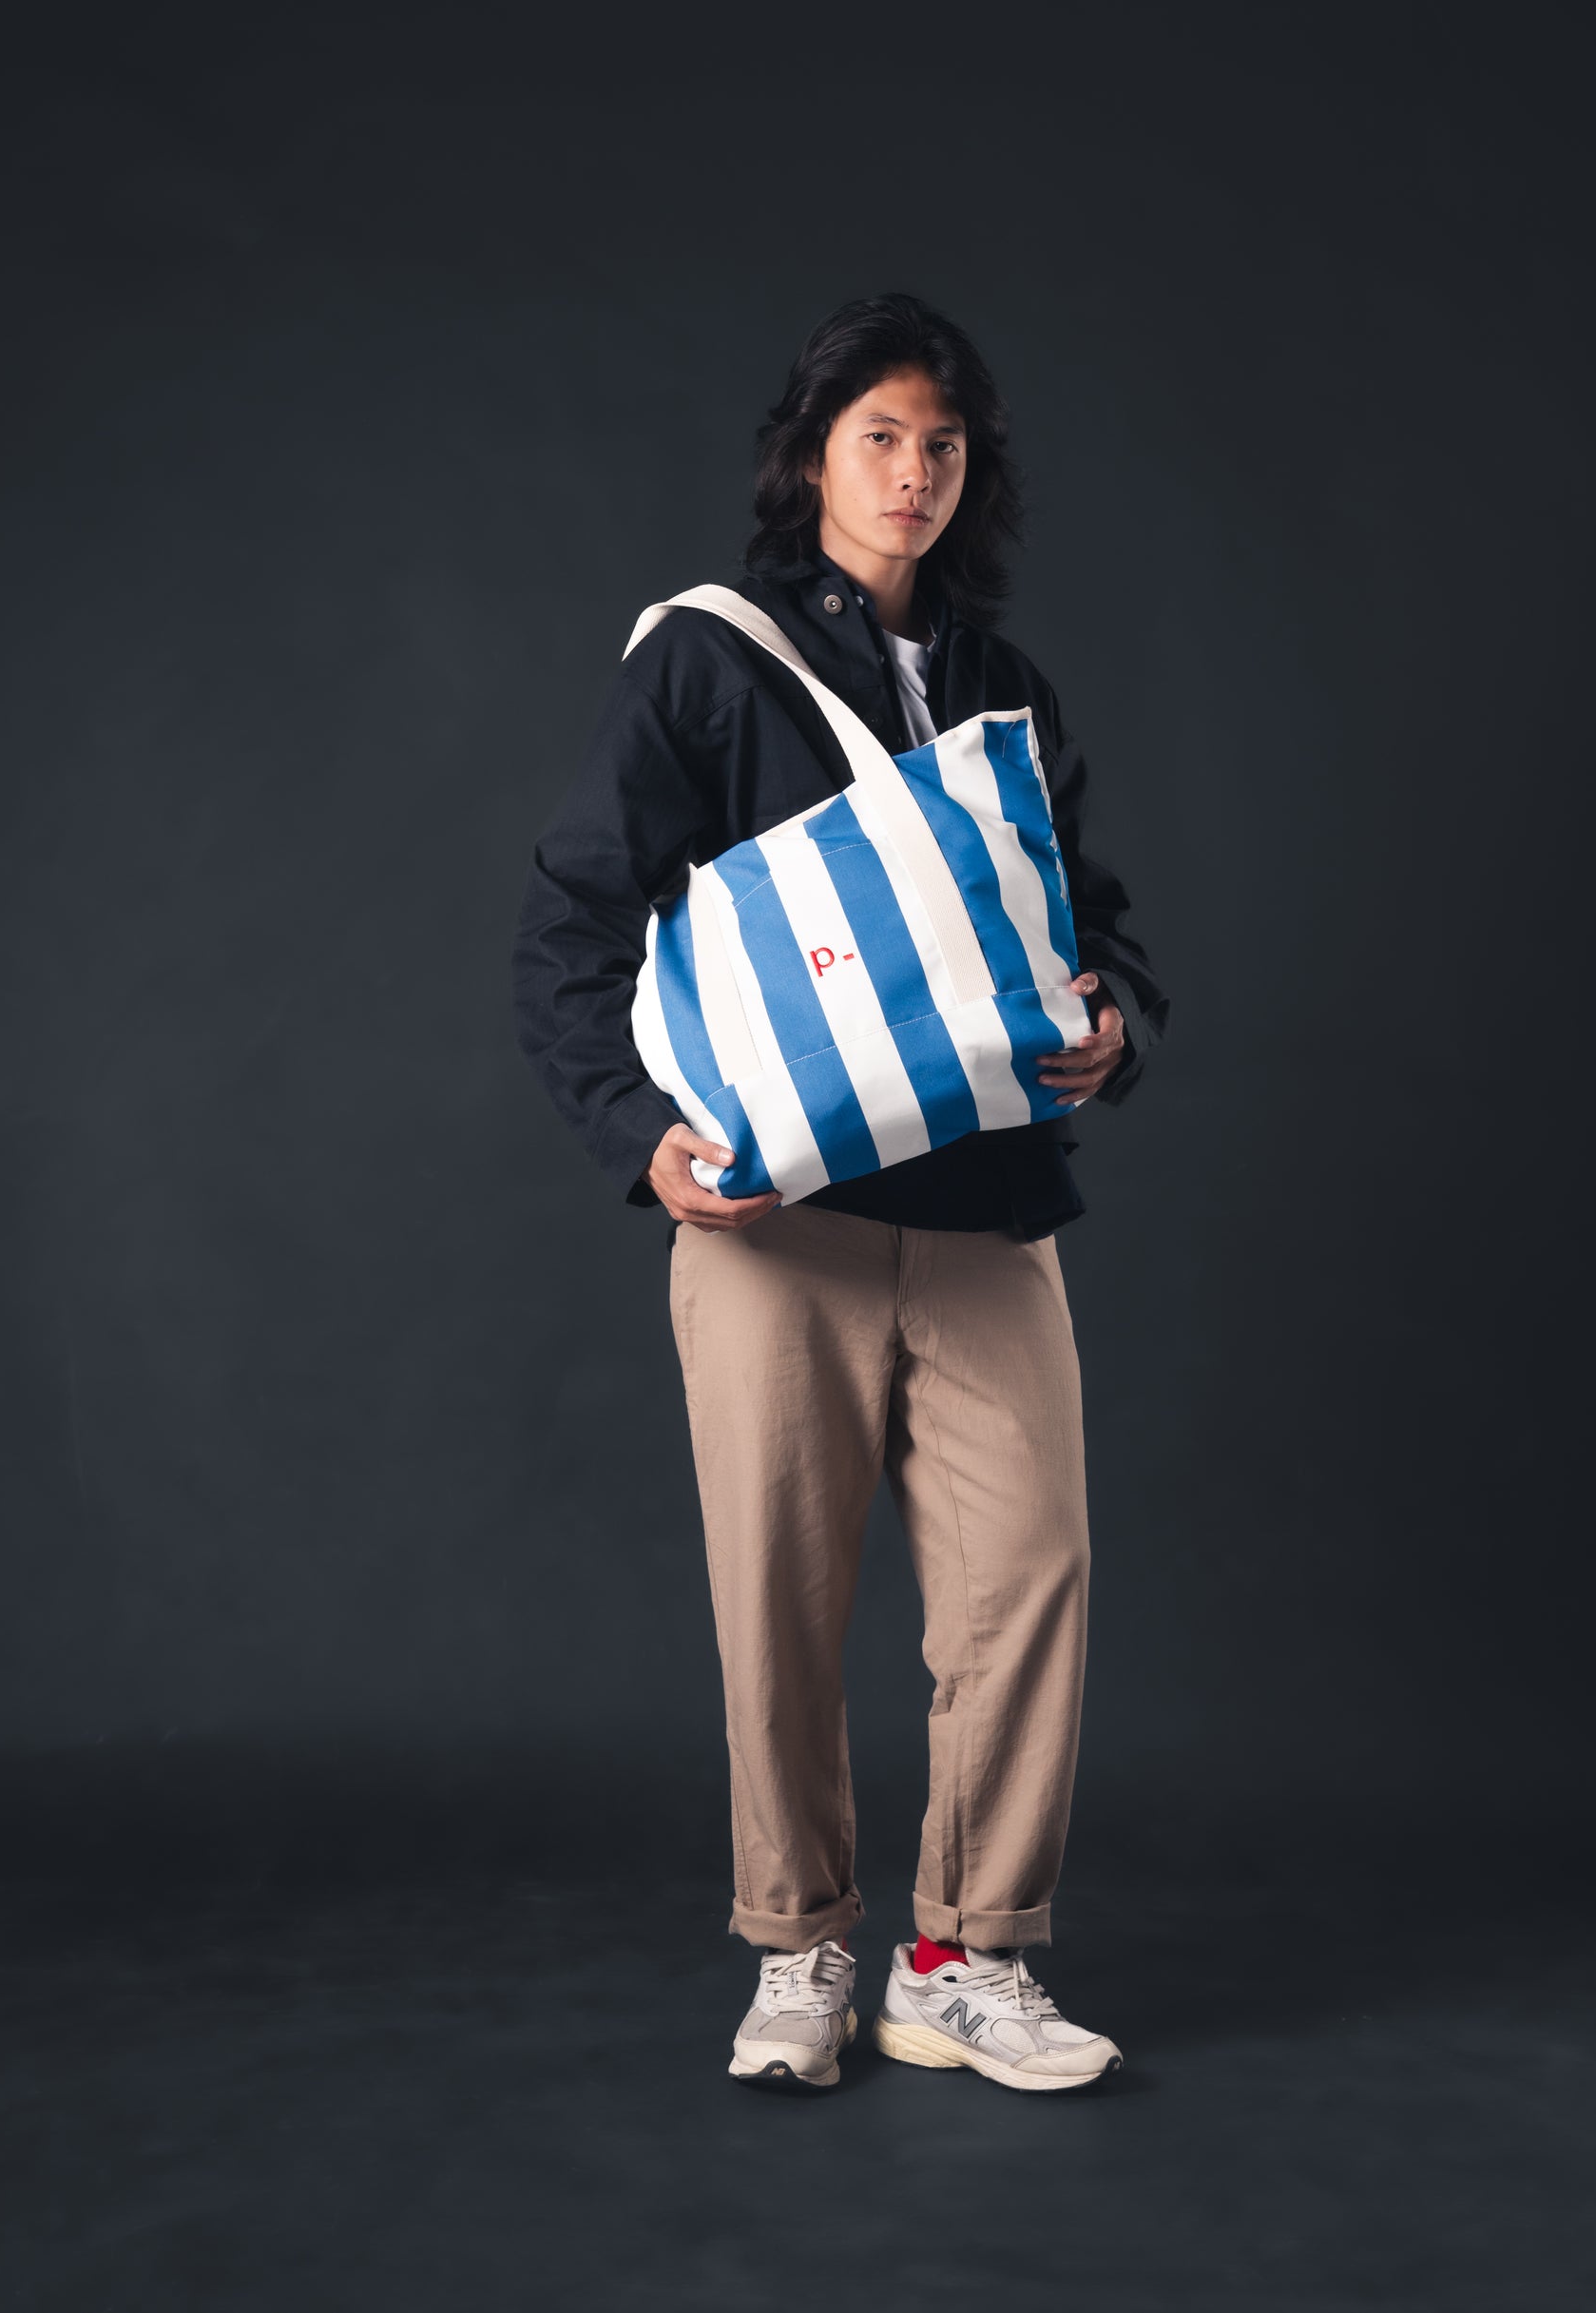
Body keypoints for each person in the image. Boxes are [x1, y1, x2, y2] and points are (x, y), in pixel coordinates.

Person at [511, 291, 1169, 2092]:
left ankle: (963, 1954)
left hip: (984, 1208)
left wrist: (1112, 1019)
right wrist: (636, 1132)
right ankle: (797, 1946)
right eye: (879, 436)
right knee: (779, 1598)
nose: (911, 473)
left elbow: (1084, 915)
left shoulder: (1004, 685)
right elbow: (569, 923)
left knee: (1027, 1577)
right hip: (771, 1224)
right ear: (811, 456)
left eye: (941, 444)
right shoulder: (705, 662)